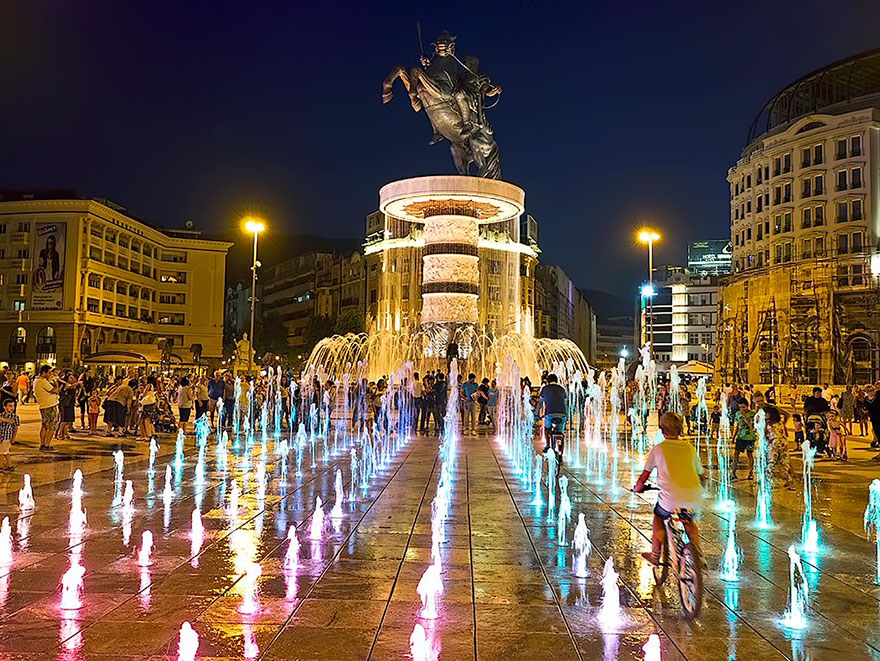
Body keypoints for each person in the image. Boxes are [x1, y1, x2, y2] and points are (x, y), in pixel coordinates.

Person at [633, 412, 705, 565]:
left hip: (670, 499)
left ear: (662, 430)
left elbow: (644, 476)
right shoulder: (690, 448)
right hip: (694, 496)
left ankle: (655, 554)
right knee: (690, 522)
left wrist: (638, 488)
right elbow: (701, 475)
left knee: (658, 517)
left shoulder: (658, 449)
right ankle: (699, 555)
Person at [536, 373, 568, 460]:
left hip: (550, 413)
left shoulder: (545, 389)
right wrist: (567, 416)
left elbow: (540, 403)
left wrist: (537, 414)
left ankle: (548, 445)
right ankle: (560, 453)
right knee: (560, 433)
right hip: (562, 414)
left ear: (548, 381)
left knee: (547, 429)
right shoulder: (562, 389)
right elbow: (565, 404)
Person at [765, 406, 795, 488]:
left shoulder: (768, 424)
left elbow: (765, 435)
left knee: (772, 462)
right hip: (783, 443)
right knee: (785, 462)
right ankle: (790, 481)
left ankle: (768, 481)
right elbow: (787, 415)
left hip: (774, 443)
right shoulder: (780, 422)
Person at [33, 365, 59, 451]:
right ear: (44, 372)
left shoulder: (37, 380)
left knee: (44, 425)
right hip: (49, 405)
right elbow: (55, 390)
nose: (51, 374)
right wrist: (56, 384)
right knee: (51, 426)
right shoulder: (42, 381)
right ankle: (47, 445)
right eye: (49, 372)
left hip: (44, 405)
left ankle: (43, 444)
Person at [732, 398, 757, 480]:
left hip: (750, 438)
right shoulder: (738, 414)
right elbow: (738, 426)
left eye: (743, 407)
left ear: (747, 406)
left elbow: (751, 425)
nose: (742, 409)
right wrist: (734, 436)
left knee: (750, 455)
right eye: (740, 407)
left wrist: (745, 415)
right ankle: (733, 472)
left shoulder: (753, 414)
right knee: (736, 454)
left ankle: (751, 473)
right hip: (740, 437)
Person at [0, 399, 19, 471]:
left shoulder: (15, 417)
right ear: (4, 407)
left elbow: (16, 428)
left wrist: (13, 438)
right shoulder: (1, 415)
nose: (12, 408)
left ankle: (1, 466)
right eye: (10, 406)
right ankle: (9, 465)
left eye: (13, 406)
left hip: (7, 437)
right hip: (1, 437)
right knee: (5, 452)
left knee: (2, 452)